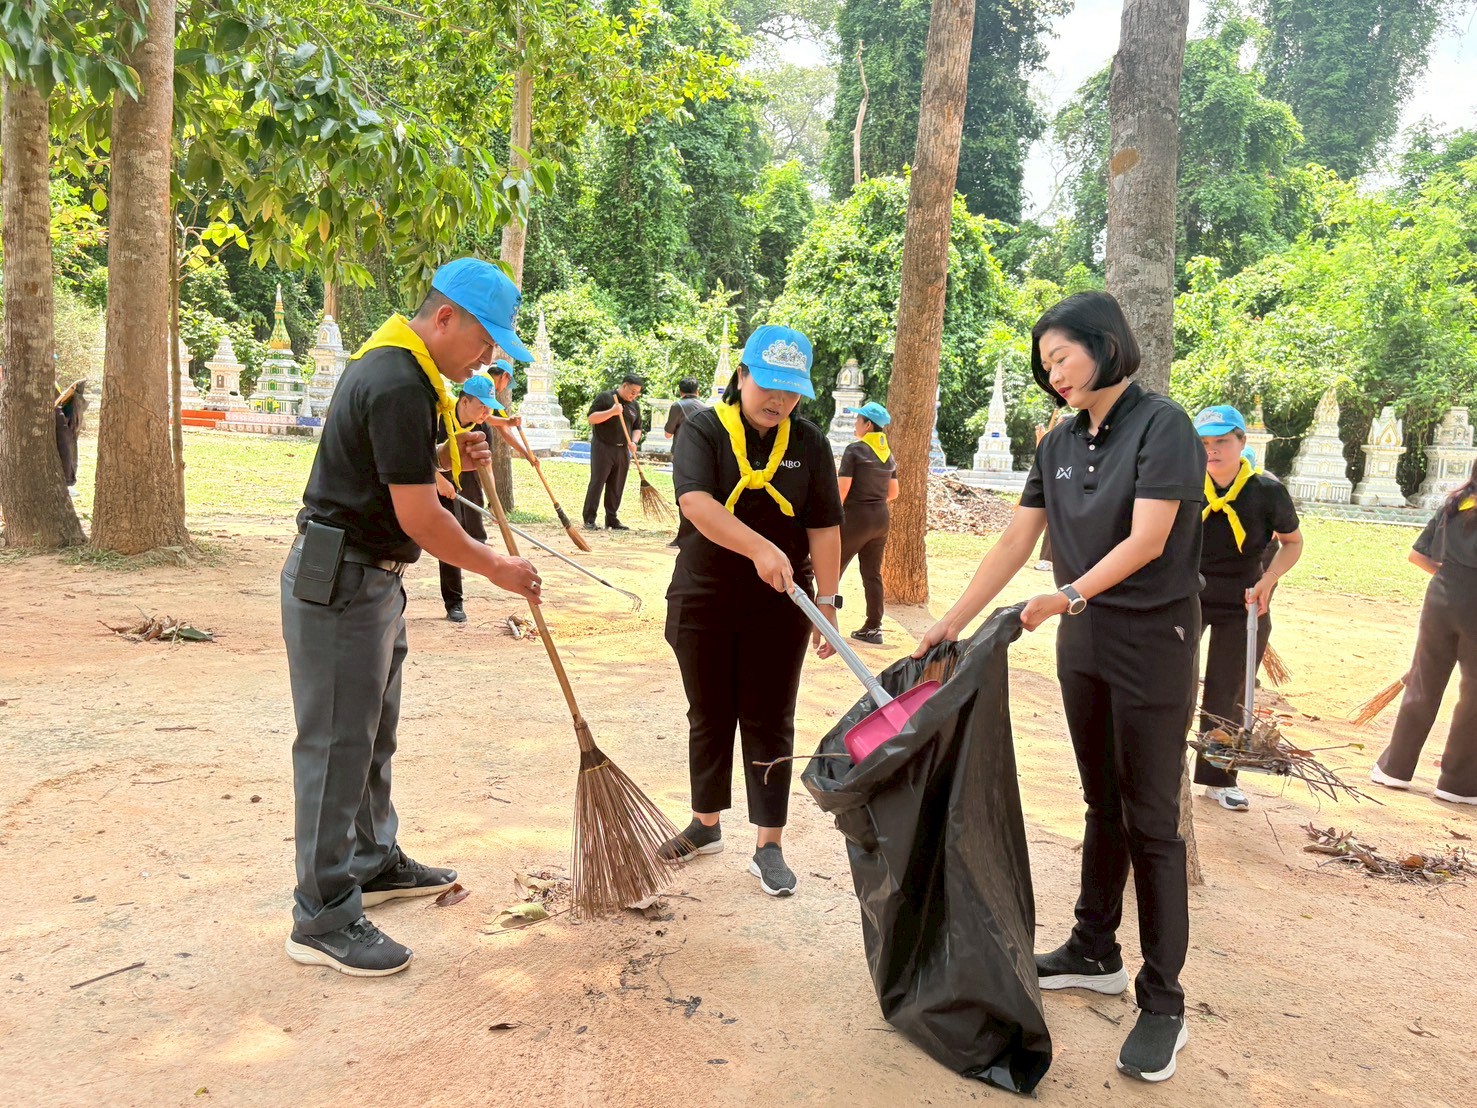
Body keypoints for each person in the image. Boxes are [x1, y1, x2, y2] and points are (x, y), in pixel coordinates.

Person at [915, 291, 1206, 1083]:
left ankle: (1163, 1001)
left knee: (1150, 820)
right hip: (1084, 642)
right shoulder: (1058, 441)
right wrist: (953, 618)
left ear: (1106, 346)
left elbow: (1149, 541)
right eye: (1044, 366)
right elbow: (1017, 538)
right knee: (1098, 803)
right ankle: (1092, 947)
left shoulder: (1163, 426)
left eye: (1063, 357)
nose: (1054, 375)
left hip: (1152, 640)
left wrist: (1067, 595)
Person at [281, 258, 542, 977]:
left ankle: (370, 858)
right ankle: (322, 913)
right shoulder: (397, 379)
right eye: (486, 340)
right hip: (343, 578)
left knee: (370, 735)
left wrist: (446, 449)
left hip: (373, 578)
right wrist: (497, 569)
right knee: (337, 747)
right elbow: (420, 514)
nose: (488, 357)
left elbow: (396, 469)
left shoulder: (410, 373)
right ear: (446, 317)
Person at [659, 325, 843, 898]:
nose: (778, 401)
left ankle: (769, 844)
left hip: (781, 603)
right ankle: (706, 823)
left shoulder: (809, 442)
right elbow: (696, 503)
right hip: (705, 595)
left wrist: (830, 604)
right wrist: (761, 547)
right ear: (742, 376)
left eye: (791, 392)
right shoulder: (703, 429)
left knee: (769, 717)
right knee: (708, 712)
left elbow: (824, 525)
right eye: (769, 385)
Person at [1191, 406, 1303, 811]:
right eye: (1204, 443)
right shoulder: (1182, 483)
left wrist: (1269, 580)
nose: (1213, 451)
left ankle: (1217, 777)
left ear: (1242, 442)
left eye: (1221, 441)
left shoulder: (1266, 490)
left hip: (1245, 598)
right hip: (1187, 593)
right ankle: (1159, 769)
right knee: (1170, 683)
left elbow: (1292, 542)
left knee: (1228, 690)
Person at [1370, 458, 1477, 804]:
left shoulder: (1456, 503)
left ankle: (1394, 769)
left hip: (1441, 598)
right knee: (1474, 694)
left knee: (1423, 682)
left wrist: (1451, 583)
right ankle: (1457, 784)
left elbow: (1417, 555)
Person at [435, 364, 535, 623]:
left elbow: (485, 466)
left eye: (490, 407)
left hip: (462, 477)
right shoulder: (438, 417)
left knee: (461, 533)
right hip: (427, 478)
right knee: (445, 536)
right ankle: (450, 600)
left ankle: (458, 595)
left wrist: (494, 501)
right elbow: (416, 455)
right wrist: (437, 479)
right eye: (482, 406)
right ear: (464, 401)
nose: (486, 413)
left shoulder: (483, 427)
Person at [837, 400, 899, 645]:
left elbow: (842, 489)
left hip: (855, 518)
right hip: (880, 519)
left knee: (831, 569)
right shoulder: (888, 456)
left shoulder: (855, 450)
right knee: (872, 574)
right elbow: (893, 493)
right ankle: (874, 627)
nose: (855, 423)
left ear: (868, 424)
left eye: (858, 419)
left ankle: (814, 621)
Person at [583, 373, 644, 531]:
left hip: (622, 449)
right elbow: (591, 418)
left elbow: (637, 428)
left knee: (617, 485)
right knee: (598, 482)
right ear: (624, 385)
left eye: (637, 393)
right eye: (632, 391)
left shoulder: (634, 406)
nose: (634, 395)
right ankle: (589, 519)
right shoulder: (606, 398)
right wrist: (611, 412)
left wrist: (634, 442)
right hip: (603, 447)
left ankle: (612, 518)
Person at [663, 377, 707, 548]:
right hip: (703, 457)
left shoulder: (678, 406)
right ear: (698, 391)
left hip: (682, 456)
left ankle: (683, 536)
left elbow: (667, 433)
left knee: (682, 497)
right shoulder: (707, 407)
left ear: (680, 392)